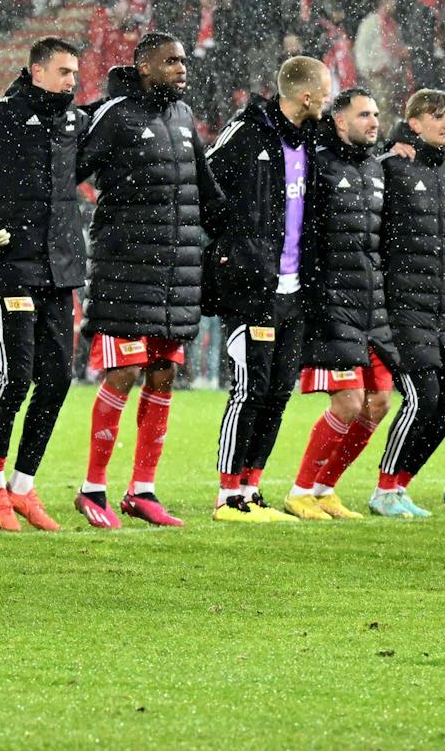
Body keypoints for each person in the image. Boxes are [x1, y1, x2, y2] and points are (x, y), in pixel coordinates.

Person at [73, 32, 220, 529]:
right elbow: (71, 170)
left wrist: (238, 236)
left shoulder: (182, 117)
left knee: (162, 376)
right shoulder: (115, 115)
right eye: (170, 62)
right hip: (124, 270)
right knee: (123, 372)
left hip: (174, 276)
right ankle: (93, 488)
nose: (182, 69)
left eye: (183, 61)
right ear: (143, 66)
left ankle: (142, 490)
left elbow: (205, 186)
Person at [203, 56, 331, 522]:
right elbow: (206, 183)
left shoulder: (311, 141)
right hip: (254, 287)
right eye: (326, 91)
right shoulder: (247, 133)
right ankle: (226, 496)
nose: (329, 100)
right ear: (306, 95)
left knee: (277, 392)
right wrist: (233, 249)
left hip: (295, 291)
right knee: (248, 390)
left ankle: (251, 490)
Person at [0, 37, 88, 533]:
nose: (71, 81)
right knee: (15, 378)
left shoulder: (76, 123)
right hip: (10, 267)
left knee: (59, 379)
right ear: (36, 71)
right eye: (63, 72)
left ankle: (22, 487)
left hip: (59, 273)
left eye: (75, 73)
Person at [285, 88, 395, 522]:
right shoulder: (318, 160)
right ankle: (298, 492)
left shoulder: (375, 166)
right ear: (339, 121)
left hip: (371, 305)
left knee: (379, 404)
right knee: (348, 404)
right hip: (331, 301)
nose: (373, 121)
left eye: (376, 114)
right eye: (363, 114)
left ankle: (325, 488)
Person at [370, 91, 445, 518]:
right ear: (413, 123)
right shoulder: (390, 167)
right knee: (421, 398)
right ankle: (383, 488)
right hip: (403, 303)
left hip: (441, 306)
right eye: (436, 116)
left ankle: (402, 484)